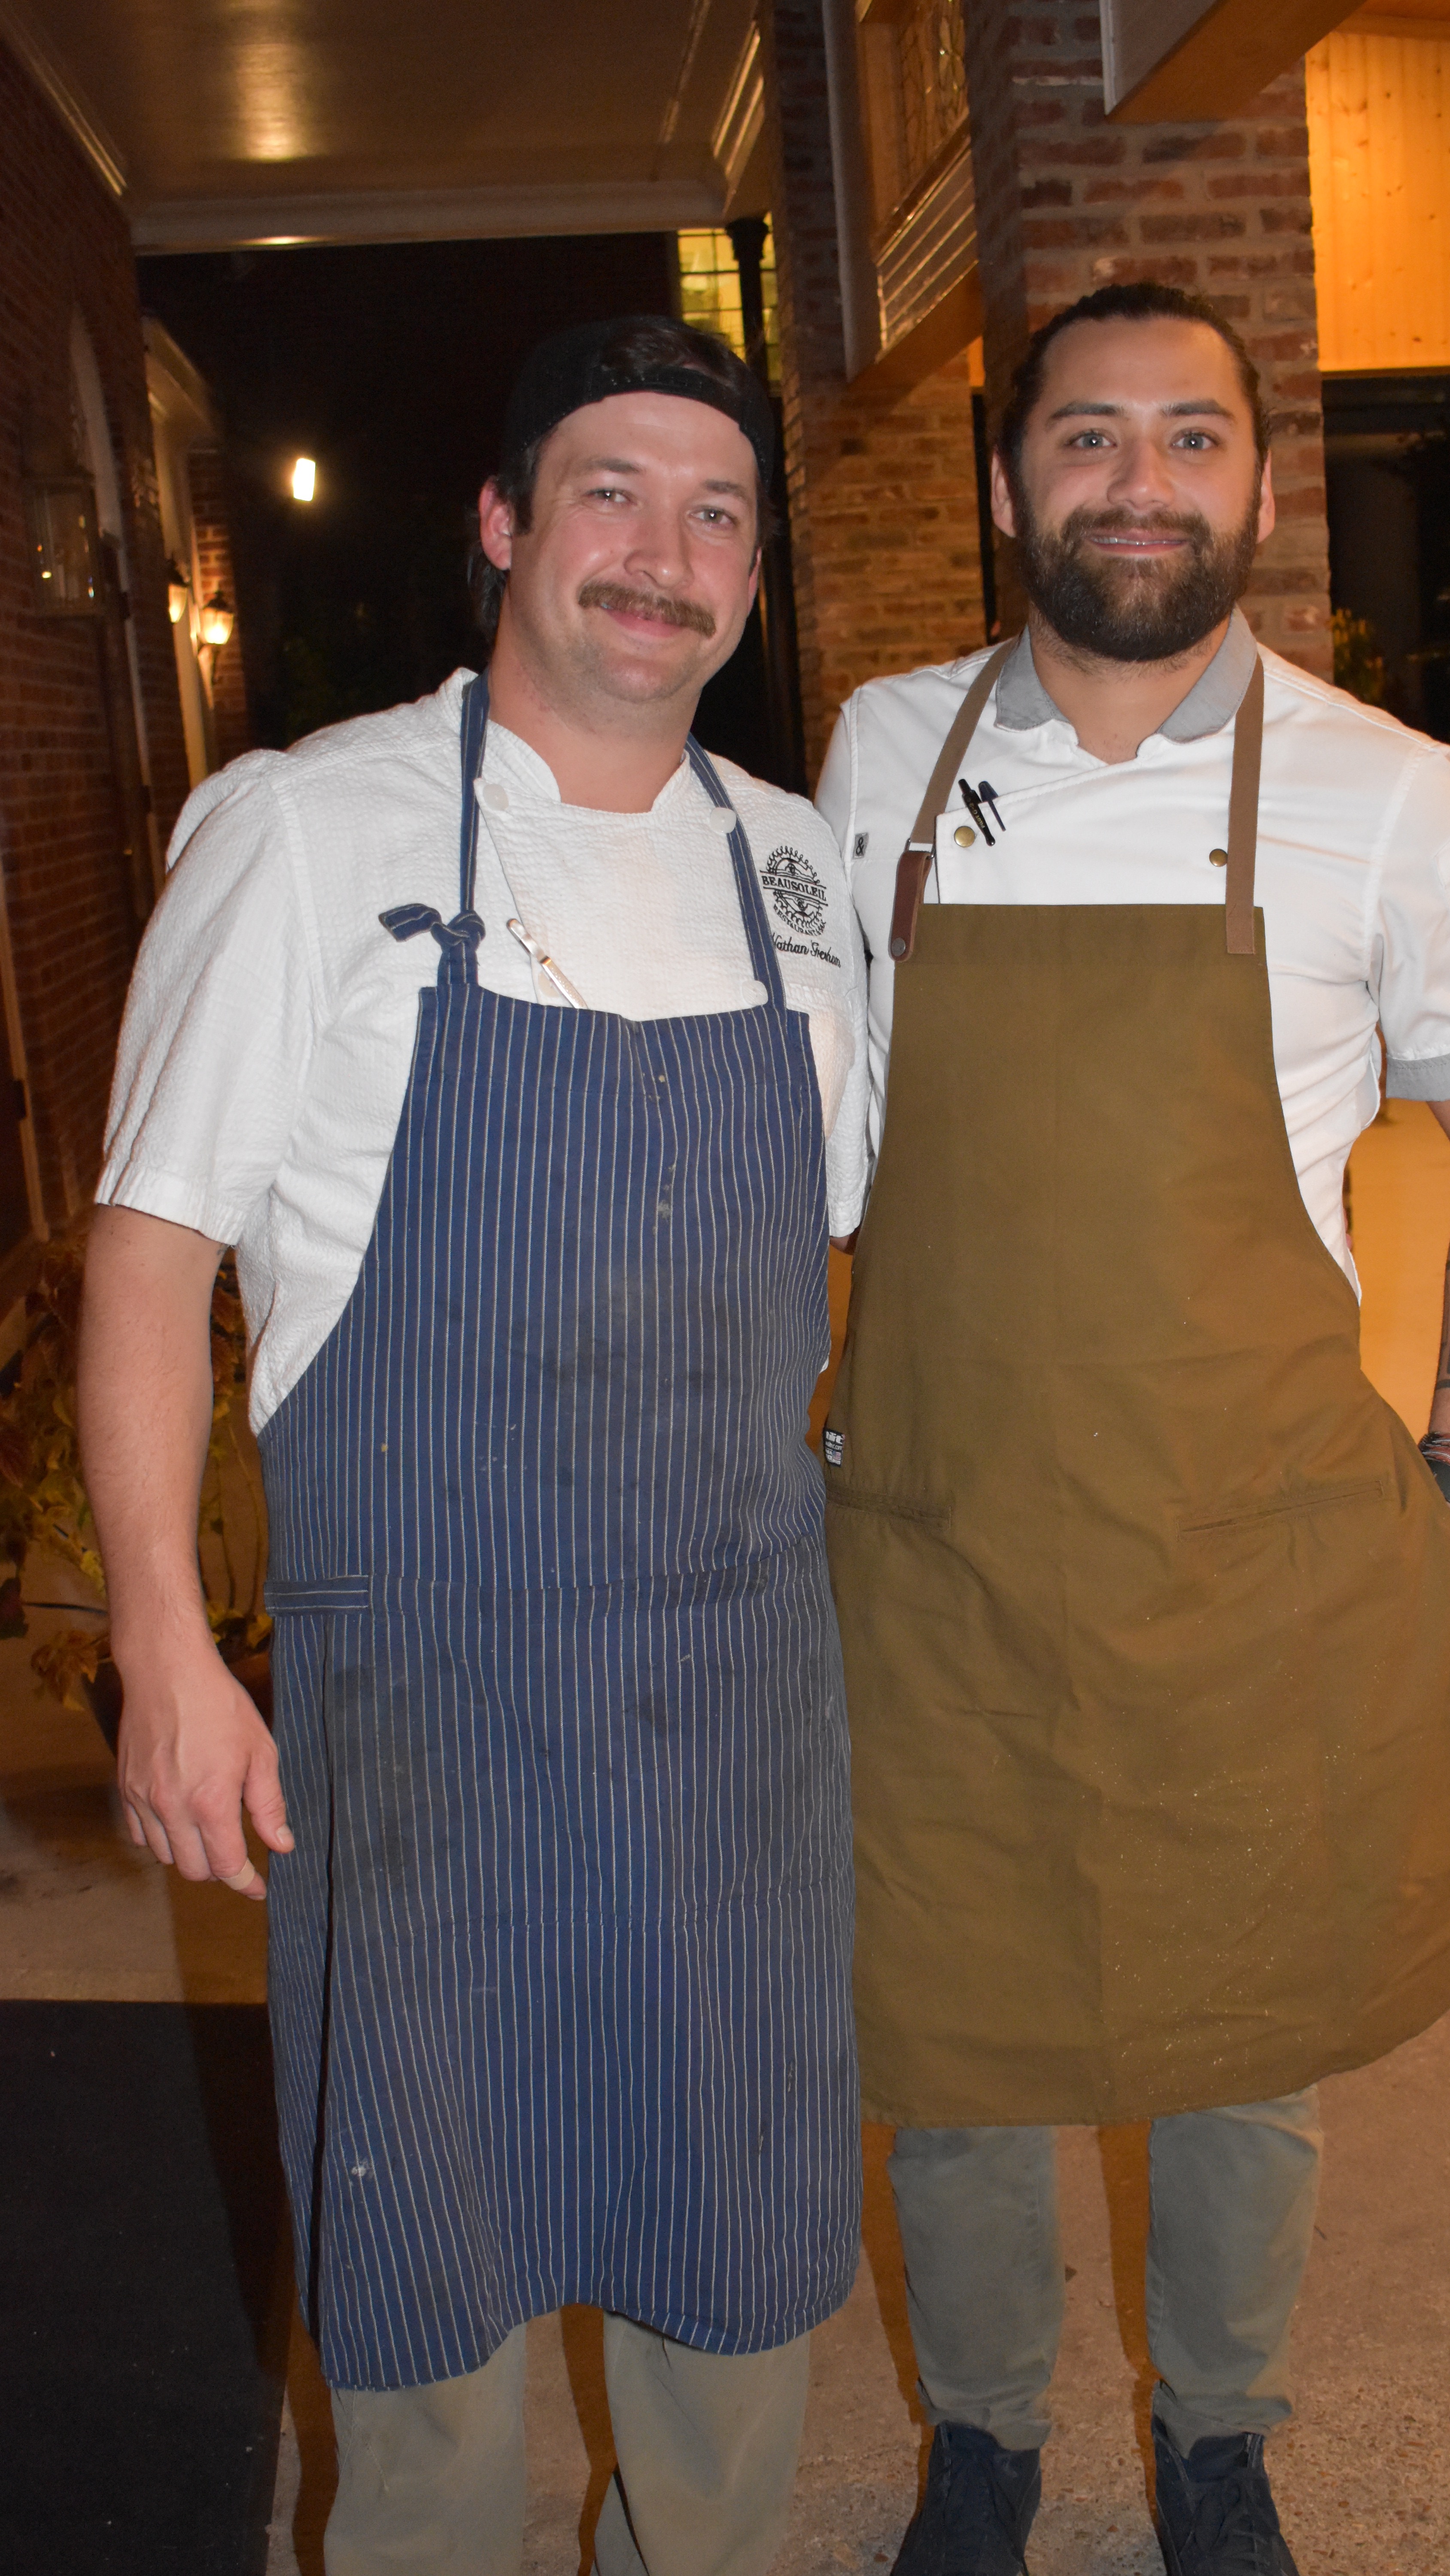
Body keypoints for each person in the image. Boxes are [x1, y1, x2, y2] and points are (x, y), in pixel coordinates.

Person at [80, 315, 867, 2576]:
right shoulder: (304, 829)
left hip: (735, 1703)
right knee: (426, 2273)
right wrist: (163, 1640)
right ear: (506, 525)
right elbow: (150, 1255)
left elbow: (827, 1256)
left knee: (736, 2248)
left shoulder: (795, 873)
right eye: (613, 492)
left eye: (718, 515)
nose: (666, 554)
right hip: (428, 1702)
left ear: (751, 578)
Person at [813, 280, 1450, 2576]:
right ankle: (983, 2441)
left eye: (1190, 438)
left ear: (1258, 481)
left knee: (1249, 2037)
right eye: (1087, 437)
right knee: (950, 2039)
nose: (1137, 482)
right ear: (1008, 480)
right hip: (940, 1531)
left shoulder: (1387, 794)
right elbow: (824, 1131)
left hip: (1246, 1538)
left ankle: (1220, 2433)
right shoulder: (883, 754)